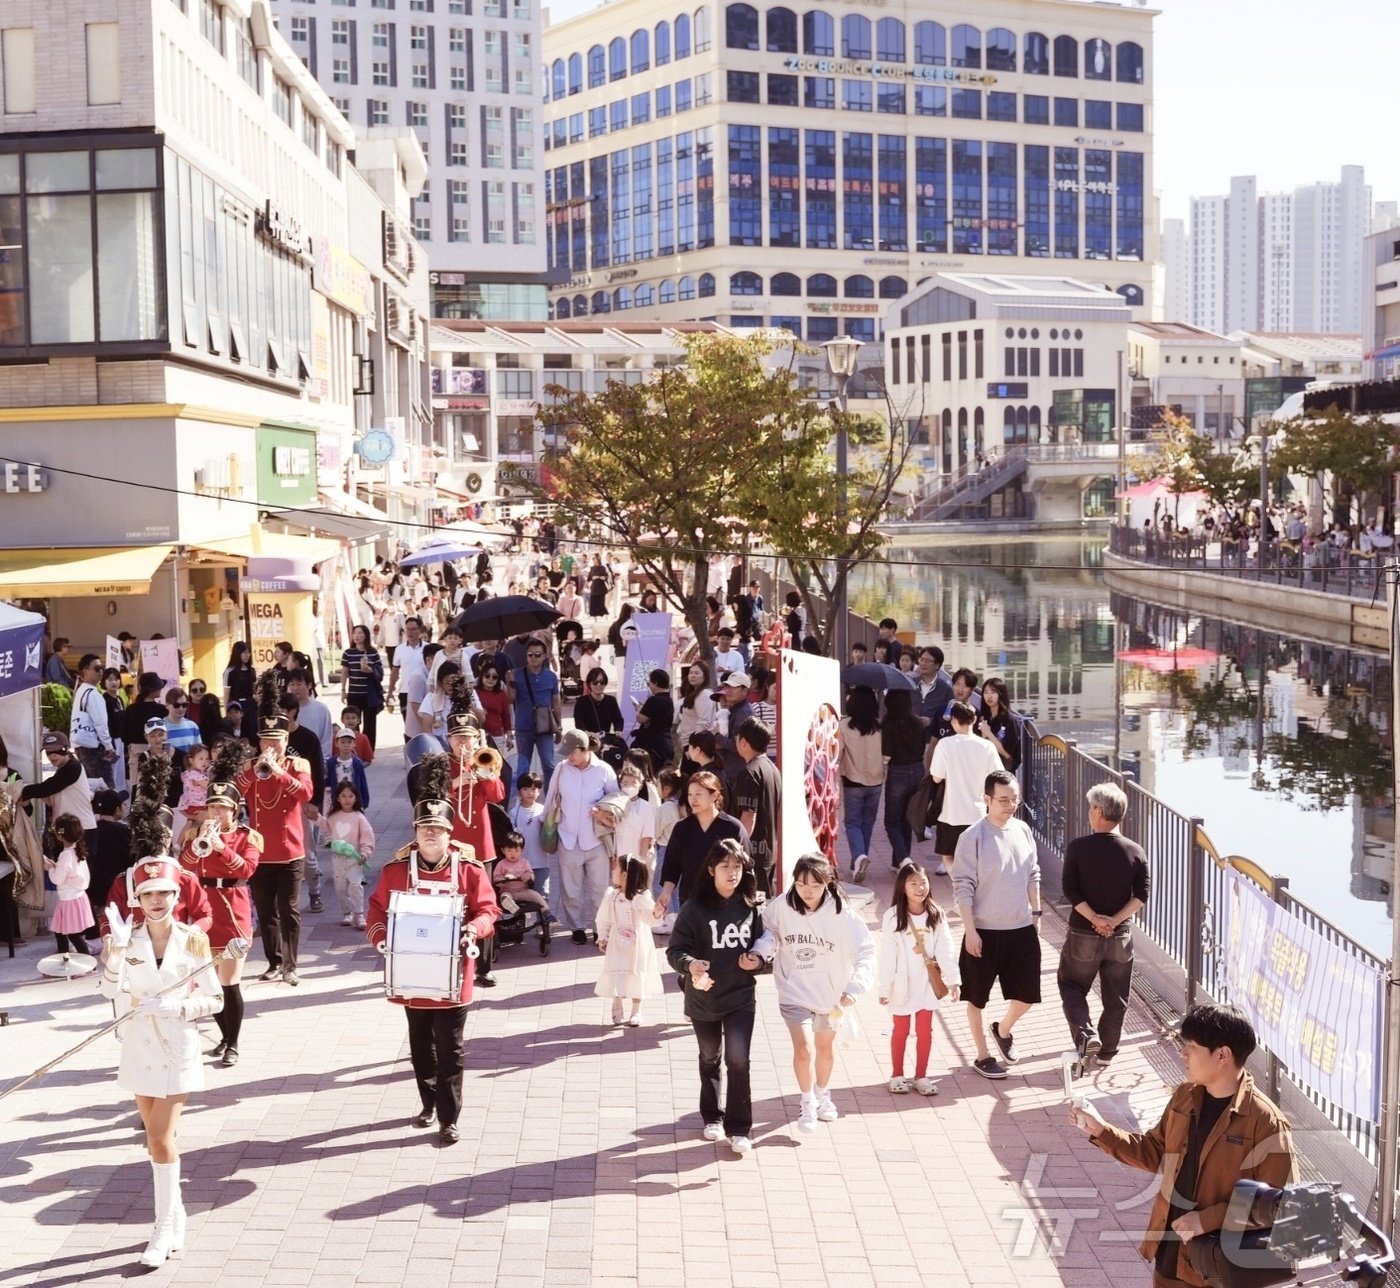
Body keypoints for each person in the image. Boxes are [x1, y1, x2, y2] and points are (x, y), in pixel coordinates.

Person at [1073, 1004, 1298, 1288]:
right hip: (1170, 1254)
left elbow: (1282, 1207)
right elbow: (1155, 1152)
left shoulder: (1266, 1123)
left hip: (1220, 1269)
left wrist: (1208, 1220)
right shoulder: (1184, 1096)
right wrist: (1101, 1130)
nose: (1183, 1053)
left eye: (1191, 1046)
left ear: (1222, 1055)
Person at [99, 856, 225, 1269]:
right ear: (137, 899)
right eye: (148, 894)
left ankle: (161, 1228)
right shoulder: (128, 938)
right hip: (139, 1046)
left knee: (158, 1137)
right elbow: (107, 992)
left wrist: (178, 1006)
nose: (156, 900)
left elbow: (215, 998)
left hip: (177, 1045)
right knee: (157, 1141)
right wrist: (115, 953)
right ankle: (177, 1216)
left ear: (177, 895)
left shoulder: (193, 940)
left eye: (164, 893)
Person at [366, 759, 499, 1145]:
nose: (430, 835)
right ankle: (428, 1102)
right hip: (410, 974)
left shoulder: (469, 869)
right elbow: (375, 909)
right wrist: (381, 940)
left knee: (451, 1049)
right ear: (416, 832)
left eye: (437, 830)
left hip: (454, 974)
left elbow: (488, 908)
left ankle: (449, 1118)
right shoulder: (395, 870)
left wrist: (474, 928)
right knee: (420, 1045)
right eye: (424, 829)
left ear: (448, 833)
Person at [758, 853, 876, 1134]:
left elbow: (865, 952)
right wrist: (760, 952)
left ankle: (823, 1094)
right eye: (800, 884)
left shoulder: (843, 914)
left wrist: (854, 987)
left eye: (814, 884)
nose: (806, 891)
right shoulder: (781, 907)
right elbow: (769, 932)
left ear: (827, 883)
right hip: (794, 990)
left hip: (831, 995)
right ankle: (806, 1101)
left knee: (824, 1049)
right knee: (804, 1049)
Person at [667, 839, 767, 1156]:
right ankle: (712, 1116)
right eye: (724, 866)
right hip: (703, 1000)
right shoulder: (693, 909)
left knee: (738, 1060)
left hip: (740, 997)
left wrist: (759, 961)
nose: (731, 873)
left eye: (737, 867)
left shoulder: (751, 908)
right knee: (710, 1057)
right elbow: (675, 951)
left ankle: (739, 1129)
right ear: (711, 870)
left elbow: (767, 947)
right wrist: (690, 966)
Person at [952, 770, 1042, 1079]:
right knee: (976, 997)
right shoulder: (972, 837)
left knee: (1028, 995)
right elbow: (962, 886)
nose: (1010, 805)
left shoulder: (1023, 831)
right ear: (987, 799)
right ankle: (982, 1055)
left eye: (1015, 799)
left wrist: (1037, 914)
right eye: (1003, 800)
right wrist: (971, 931)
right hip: (984, 931)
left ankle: (1003, 1030)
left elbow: (1033, 874)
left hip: (1021, 927)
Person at [1058, 783, 1150, 1067]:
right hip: (1119, 937)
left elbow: (1070, 890)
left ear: (1098, 811)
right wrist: (1113, 921)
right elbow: (1142, 896)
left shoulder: (1078, 848)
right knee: (1116, 996)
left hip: (1084, 933)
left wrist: (1095, 918)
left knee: (1072, 985)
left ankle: (1086, 1033)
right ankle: (1108, 1052)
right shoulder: (1136, 851)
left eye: (1090, 807)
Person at [175, 765, 261, 1068]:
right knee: (209, 982)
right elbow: (182, 866)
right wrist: (199, 843)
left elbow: (247, 870)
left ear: (234, 810)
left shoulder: (246, 836)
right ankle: (224, 1037)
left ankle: (233, 1043)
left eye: (222, 808)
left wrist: (221, 847)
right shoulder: (195, 833)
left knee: (230, 981)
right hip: (205, 907)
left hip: (234, 908)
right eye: (212, 807)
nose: (216, 814)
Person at [237, 675, 316, 985]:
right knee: (266, 912)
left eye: (277, 740)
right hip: (259, 850)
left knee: (289, 909)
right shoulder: (251, 766)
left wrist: (280, 772)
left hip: (290, 850)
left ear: (286, 740)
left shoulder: (299, 765)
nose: (271, 746)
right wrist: (257, 771)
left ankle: (291, 965)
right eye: (266, 740)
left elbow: (305, 794)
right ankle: (273, 962)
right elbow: (237, 791)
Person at [879, 861, 960, 1095]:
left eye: (923, 882)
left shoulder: (936, 913)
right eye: (913, 883)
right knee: (900, 1030)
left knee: (925, 1031)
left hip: (927, 984)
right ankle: (897, 1075)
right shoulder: (893, 916)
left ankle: (922, 1076)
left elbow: (946, 947)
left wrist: (954, 979)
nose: (919, 888)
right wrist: (884, 988)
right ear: (902, 887)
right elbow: (887, 955)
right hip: (901, 985)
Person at [540, 728, 618, 943]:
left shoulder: (604, 769)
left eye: (572, 752)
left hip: (597, 839)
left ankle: (600, 928)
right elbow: (551, 797)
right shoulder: (562, 769)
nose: (568, 757)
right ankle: (576, 927)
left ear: (585, 750)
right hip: (568, 836)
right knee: (571, 889)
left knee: (600, 889)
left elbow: (616, 799)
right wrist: (544, 823)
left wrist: (604, 812)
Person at [654, 770, 749, 916]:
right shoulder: (682, 828)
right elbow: (671, 867)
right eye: (690, 794)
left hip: (725, 902)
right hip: (690, 901)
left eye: (698, 794)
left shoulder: (733, 827)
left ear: (715, 795)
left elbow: (747, 866)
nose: (693, 799)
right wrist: (665, 894)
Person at [928, 700, 1004, 877]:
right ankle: (973, 889)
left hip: (950, 813)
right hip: (978, 814)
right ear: (975, 720)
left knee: (948, 855)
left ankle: (959, 888)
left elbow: (936, 777)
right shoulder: (986, 746)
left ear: (954, 721)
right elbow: (999, 776)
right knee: (977, 859)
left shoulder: (945, 744)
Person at [594, 852, 661, 1025]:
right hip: (617, 942)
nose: (613, 869)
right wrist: (603, 936)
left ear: (625, 875)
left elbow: (650, 919)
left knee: (636, 972)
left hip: (638, 943)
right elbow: (603, 918)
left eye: (616, 867)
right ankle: (617, 1003)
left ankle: (636, 1010)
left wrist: (657, 912)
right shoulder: (612, 896)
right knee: (617, 970)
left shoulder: (641, 898)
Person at [729, 717, 781, 897]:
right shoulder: (772, 768)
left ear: (743, 742)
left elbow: (748, 817)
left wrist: (736, 850)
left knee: (755, 906)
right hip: (769, 850)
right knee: (764, 903)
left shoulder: (749, 773)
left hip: (754, 854)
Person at [840, 685, 885, 885]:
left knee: (852, 823)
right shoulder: (879, 727)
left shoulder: (844, 725)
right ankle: (857, 861)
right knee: (867, 823)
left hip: (852, 779)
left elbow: (837, 752)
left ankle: (859, 857)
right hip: (876, 780)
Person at [509, 635, 563, 791]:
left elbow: (556, 701)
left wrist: (558, 725)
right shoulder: (516, 674)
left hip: (545, 727)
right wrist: (510, 683)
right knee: (523, 767)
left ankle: (550, 800)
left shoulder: (551, 676)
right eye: (530, 655)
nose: (533, 658)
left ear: (545, 656)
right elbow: (509, 699)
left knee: (549, 765)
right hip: (523, 727)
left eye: (537, 655)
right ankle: (521, 801)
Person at [881, 689, 925, 869]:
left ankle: (905, 859)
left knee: (891, 821)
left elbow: (887, 754)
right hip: (917, 770)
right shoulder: (918, 722)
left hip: (897, 772)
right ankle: (899, 860)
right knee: (905, 818)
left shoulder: (888, 723)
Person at [22, 732, 96, 838]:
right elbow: (48, 793)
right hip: (66, 828)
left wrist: (23, 791)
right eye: (48, 752)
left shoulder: (72, 768)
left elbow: (47, 788)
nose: (52, 755)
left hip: (81, 829)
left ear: (66, 749)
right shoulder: (62, 771)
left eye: (57, 751)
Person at [492, 830, 554, 952]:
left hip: (522, 890)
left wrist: (529, 876)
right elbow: (495, 879)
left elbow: (531, 874)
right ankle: (512, 907)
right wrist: (504, 878)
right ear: (503, 850)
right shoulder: (501, 864)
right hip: (508, 891)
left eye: (516, 850)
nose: (512, 854)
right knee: (504, 896)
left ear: (522, 850)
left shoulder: (525, 863)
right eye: (509, 850)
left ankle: (547, 913)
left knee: (535, 895)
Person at [324, 782, 375, 931]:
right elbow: (325, 826)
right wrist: (315, 817)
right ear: (338, 798)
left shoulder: (359, 818)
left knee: (355, 885)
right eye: (343, 796)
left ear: (356, 798)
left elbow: (367, 837)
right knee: (340, 887)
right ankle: (347, 912)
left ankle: (359, 914)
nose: (347, 799)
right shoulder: (333, 817)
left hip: (354, 858)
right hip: (337, 859)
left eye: (350, 796)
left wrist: (365, 852)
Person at [48, 813, 95, 956]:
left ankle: (86, 963)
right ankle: (64, 961)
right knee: (62, 932)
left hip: (68, 900)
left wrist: (49, 868)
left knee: (70, 934)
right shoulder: (78, 852)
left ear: (60, 835)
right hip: (77, 897)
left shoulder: (65, 856)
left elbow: (57, 879)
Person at [70, 653, 119, 788]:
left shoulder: (81, 691)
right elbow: (101, 724)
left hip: (81, 745)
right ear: (85, 671)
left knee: (91, 786)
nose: (101, 671)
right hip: (94, 748)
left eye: (101, 668)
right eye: (97, 668)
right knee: (104, 787)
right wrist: (109, 746)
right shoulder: (93, 694)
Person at [340, 623, 386, 749]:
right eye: (355, 633)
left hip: (369, 694)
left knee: (370, 723)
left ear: (366, 636)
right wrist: (343, 690)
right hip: (354, 693)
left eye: (360, 633)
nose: (357, 636)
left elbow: (380, 671)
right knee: (352, 722)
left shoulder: (372, 652)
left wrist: (371, 670)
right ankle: (354, 748)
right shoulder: (348, 653)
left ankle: (369, 749)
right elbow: (344, 672)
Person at [475, 661, 515, 798]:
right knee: (479, 767)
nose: (490, 679)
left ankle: (495, 796)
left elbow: (506, 715)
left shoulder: (501, 694)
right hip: (478, 736)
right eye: (487, 676)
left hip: (498, 736)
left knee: (495, 767)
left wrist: (509, 734)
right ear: (481, 676)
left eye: (494, 677)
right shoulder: (474, 692)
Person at [508, 772, 549, 895]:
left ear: (539, 791)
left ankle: (544, 915)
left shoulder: (543, 810)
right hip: (519, 864)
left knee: (542, 895)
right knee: (521, 895)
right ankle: (523, 916)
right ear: (519, 791)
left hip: (540, 862)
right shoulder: (514, 813)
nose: (530, 792)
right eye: (525, 789)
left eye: (534, 789)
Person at [609, 760, 657, 864]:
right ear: (620, 784)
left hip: (635, 858)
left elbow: (646, 836)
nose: (629, 787)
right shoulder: (613, 803)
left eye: (633, 783)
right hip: (614, 857)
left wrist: (642, 860)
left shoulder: (645, 807)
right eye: (625, 783)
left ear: (640, 785)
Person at [630, 668, 675, 774]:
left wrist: (638, 710)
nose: (649, 685)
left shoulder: (654, 700)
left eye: (649, 682)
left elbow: (641, 719)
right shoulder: (669, 700)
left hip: (653, 745)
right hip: (665, 743)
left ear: (655, 683)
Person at [287, 668, 334, 764]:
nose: (295, 688)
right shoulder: (284, 709)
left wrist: (324, 761)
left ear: (309, 685)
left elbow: (326, 738)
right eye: (292, 684)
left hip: (313, 759)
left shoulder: (321, 709)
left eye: (299, 684)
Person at [977, 677, 1022, 773]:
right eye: (985, 692)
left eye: (993, 692)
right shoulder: (982, 718)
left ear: (1001, 694)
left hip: (1003, 772)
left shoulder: (1010, 720)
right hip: (984, 770)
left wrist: (989, 734)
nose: (989, 696)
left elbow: (1007, 754)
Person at [328, 728, 371, 810]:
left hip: (353, 800)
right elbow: (327, 783)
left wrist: (364, 802)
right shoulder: (331, 763)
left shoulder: (357, 763)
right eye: (342, 742)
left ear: (354, 743)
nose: (346, 745)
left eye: (349, 742)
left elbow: (362, 782)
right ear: (336, 743)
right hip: (337, 800)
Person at [675, 661, 716, 748]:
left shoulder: (704, 695)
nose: (692, 676)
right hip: (687, 742)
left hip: (696, 745)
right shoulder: (693, 694)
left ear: (705, 676)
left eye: (697, 673)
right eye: (691, 673)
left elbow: (703, 723)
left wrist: (695, 745)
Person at [222, 643, 257, 742]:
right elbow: (226, 695)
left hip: (250, 705)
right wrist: (227, 712)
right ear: (238, 654)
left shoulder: (252, 670)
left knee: (252, 731)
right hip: (236, 705)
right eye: (244, 653)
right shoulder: (230, 672)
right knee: (238, 732)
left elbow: (254, 689)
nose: (247, 655)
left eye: (248, 652)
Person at [574, 668, 624, 735]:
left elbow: (618, 720)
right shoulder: (581, 701)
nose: (599, 685)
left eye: (602, 682)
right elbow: (579, 722)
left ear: (605, 683)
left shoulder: (611, 700)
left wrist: (618, 730)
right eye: (595, 682)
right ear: (589, 684)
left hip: (606, 740)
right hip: (589, 741)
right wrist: (586, 733)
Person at [162, 688, 203, 759]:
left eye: (184, 705)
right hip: (169, 768)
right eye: (176, 705)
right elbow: (161, 753)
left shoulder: (193, 726)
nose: (181, 709)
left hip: (190, 768)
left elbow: (199, 752)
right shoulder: (161, 727)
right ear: (167, 705)